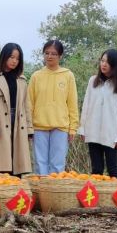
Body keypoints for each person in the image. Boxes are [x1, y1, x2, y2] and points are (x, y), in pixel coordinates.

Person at [77, 49, 117, 179]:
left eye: (108, 62)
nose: (104, 64)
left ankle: (116, 199)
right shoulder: (93, 81)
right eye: (102, 61)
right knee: (96, 169)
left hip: (111, 133)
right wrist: (83, 128)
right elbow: (86, 105)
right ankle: (97, 199)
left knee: (113, 169)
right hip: (93, 130)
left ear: (115, 65)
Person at [27, 40, 78, 175]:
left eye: (54, 54)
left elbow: (72, 103)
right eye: (47, 53)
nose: (49, 56)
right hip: (39, 126)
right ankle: (41, 193)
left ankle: (54, 193)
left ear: (60, 56)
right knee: (40, 163)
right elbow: (29, 103)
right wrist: (29, 126)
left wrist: (73, 127)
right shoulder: (36, 76)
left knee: (58, 163)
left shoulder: (68, 75)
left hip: (61, 126)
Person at [0, 43, 33, 175]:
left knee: (17, 163)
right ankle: (2, 192)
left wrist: (29, 128)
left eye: (17, 58)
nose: (14, 61)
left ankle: (16, 192)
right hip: (0, 121)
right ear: (4, 56)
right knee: (1, 165)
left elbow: (26, 105)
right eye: (11, 57)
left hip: (18, 121)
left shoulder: (22, 79)